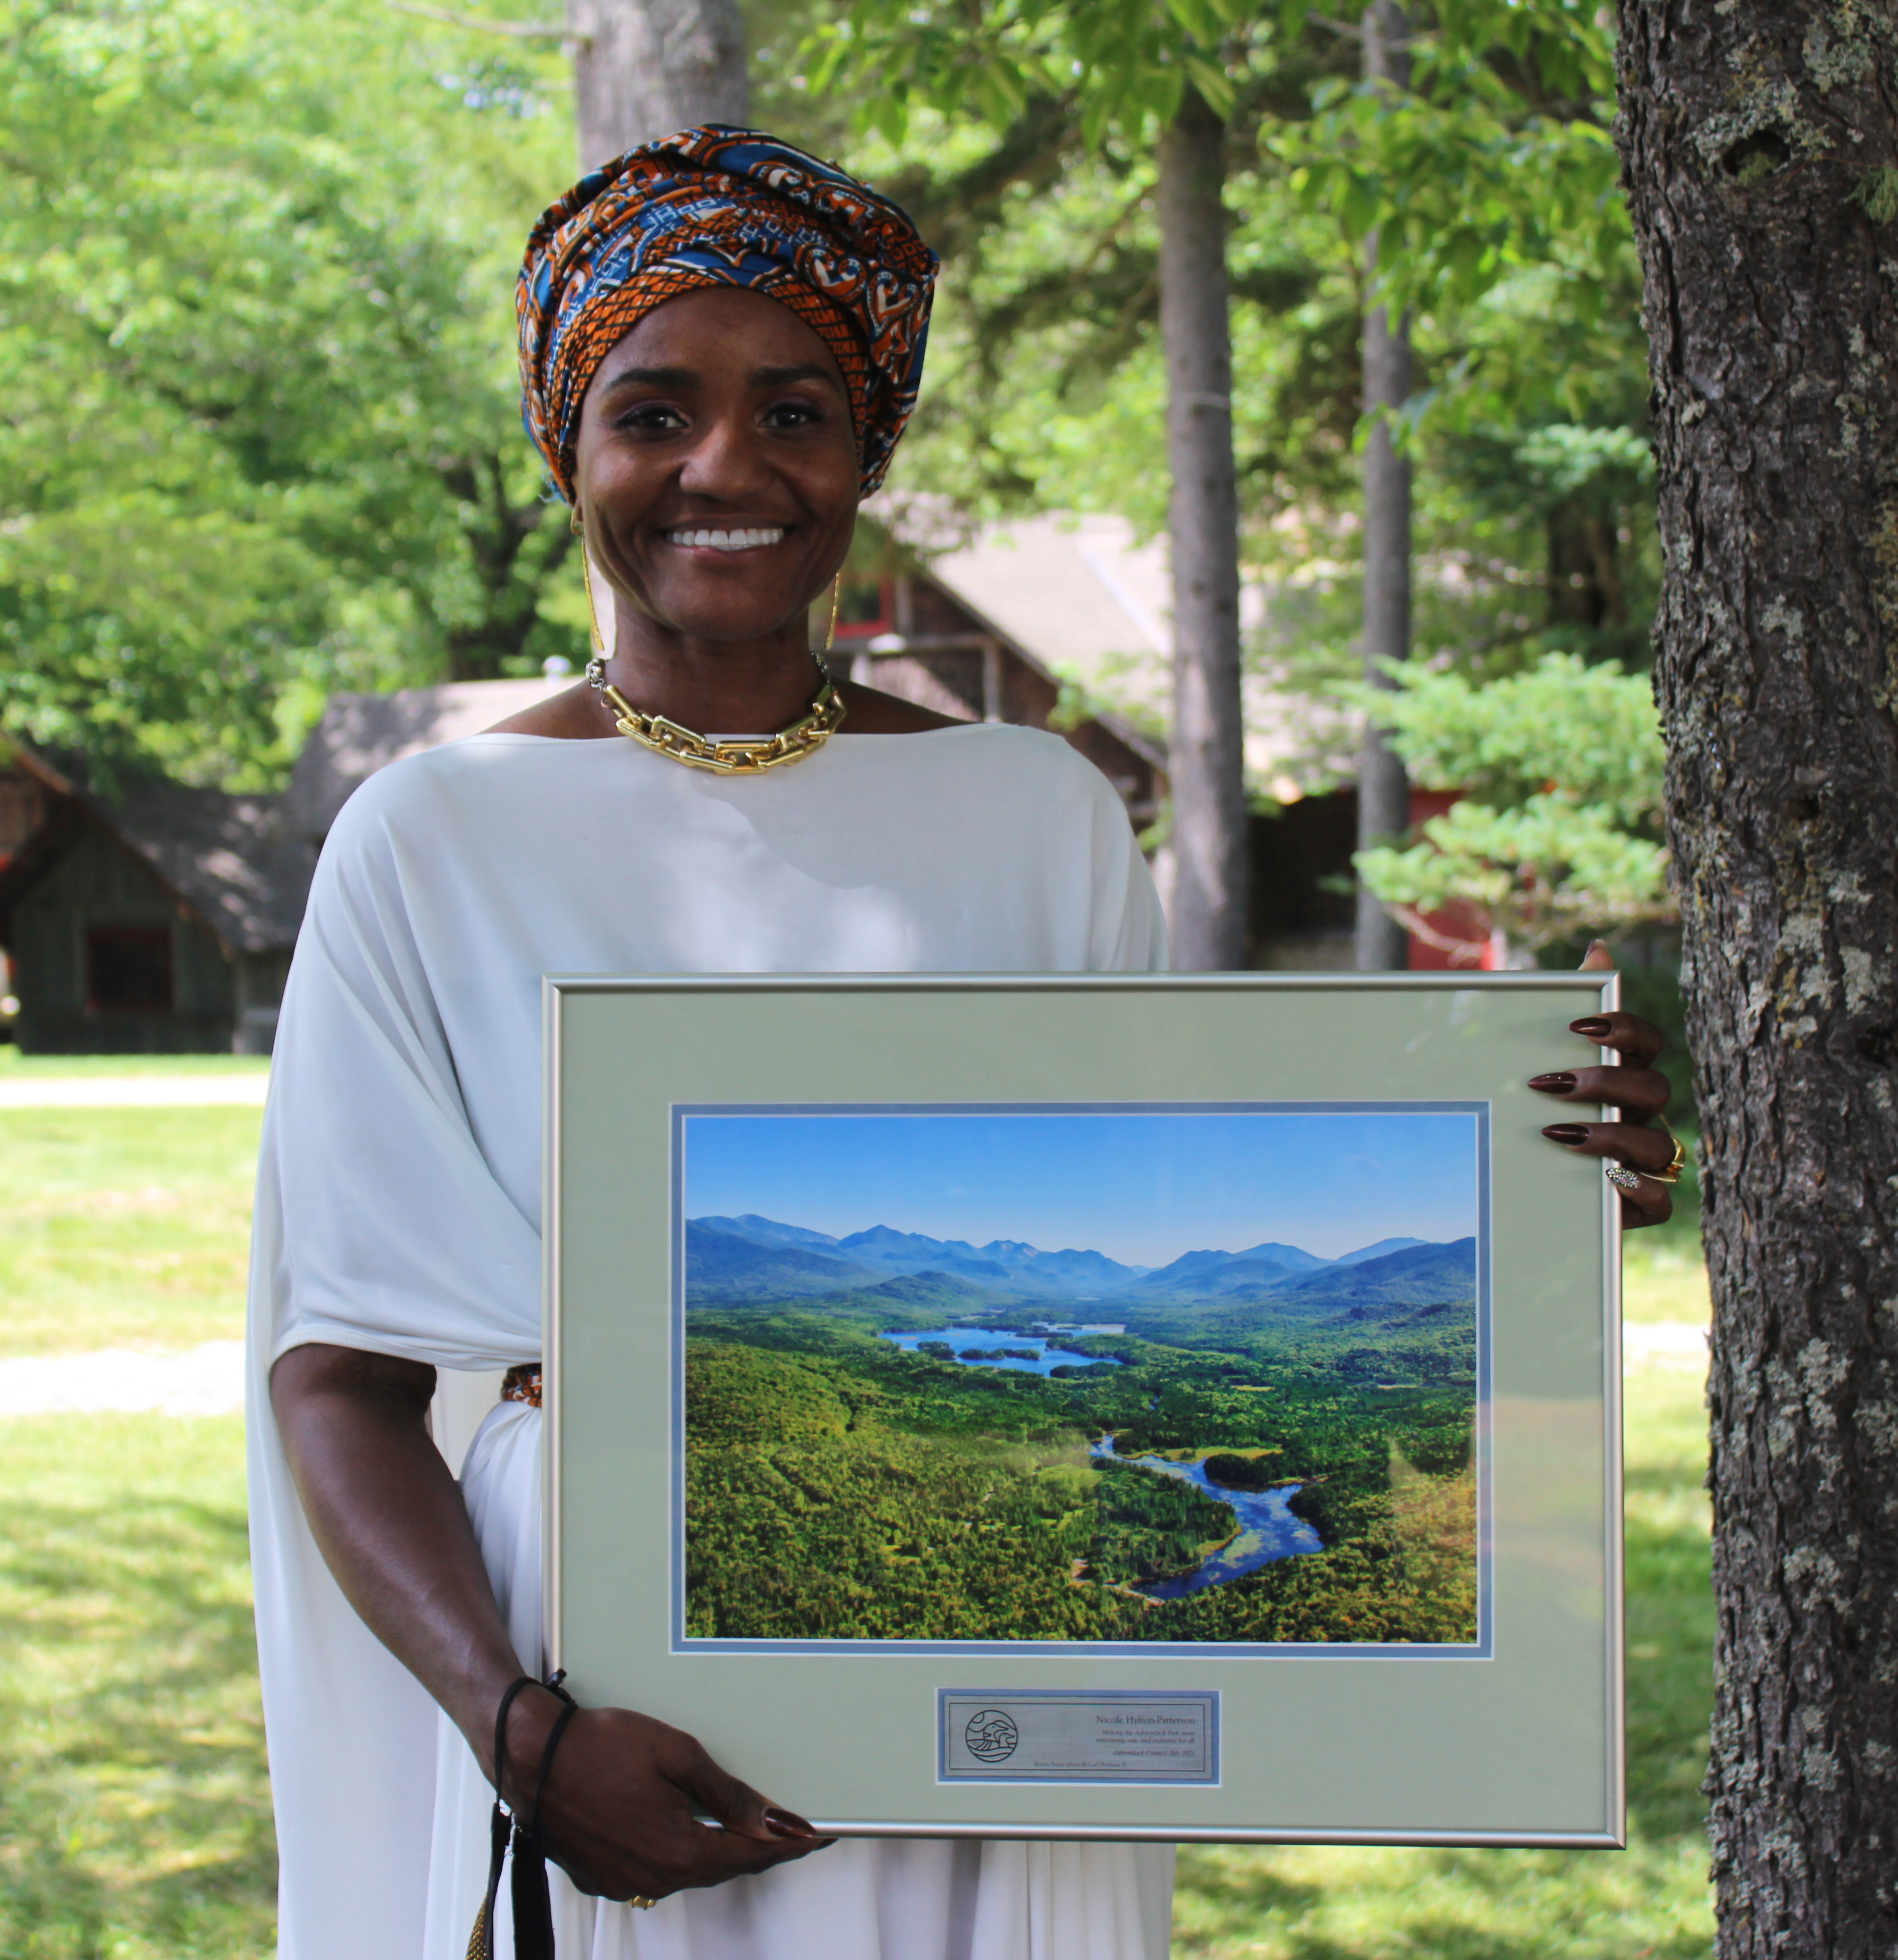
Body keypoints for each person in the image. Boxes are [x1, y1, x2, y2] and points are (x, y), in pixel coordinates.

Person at [244, 126, 1681, 1960]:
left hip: (1004, 1663)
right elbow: (338, 1380)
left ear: (867, 455)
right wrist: (518, 1731)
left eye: (796, 413)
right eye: (653, 409)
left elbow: (1166, 1200)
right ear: (568, 447)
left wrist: (1524, 1188)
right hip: (590, 1677)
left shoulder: (1034, 811)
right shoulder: (431, 836)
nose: (724, 466)